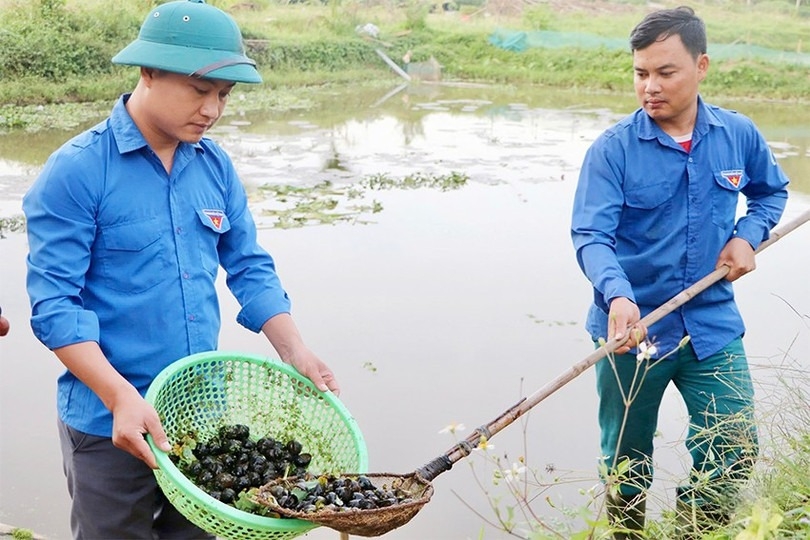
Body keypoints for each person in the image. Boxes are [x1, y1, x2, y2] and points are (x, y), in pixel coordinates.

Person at [23, 1, 340, 538]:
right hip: (108, 421)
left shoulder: (213, 165)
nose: (212, 109)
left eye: (223, 95)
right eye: (199, 90)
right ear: (148, 72)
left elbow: (248, 265)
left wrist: (295, 348)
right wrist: (120, 395)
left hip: (198, 414)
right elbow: (56, 307)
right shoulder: (77, 171)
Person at [570, 6, 789, 539]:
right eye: (641, 72)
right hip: (632, 333)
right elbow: (591, 237)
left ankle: (693, 534)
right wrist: (619, 297)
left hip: (710, 326)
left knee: (733, 448)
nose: (650, 86)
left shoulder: (737, 134)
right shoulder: (613, 150)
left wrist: (747, 234)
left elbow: (770, 192)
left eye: (665, 72)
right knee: (626, 468)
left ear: (702, 66)